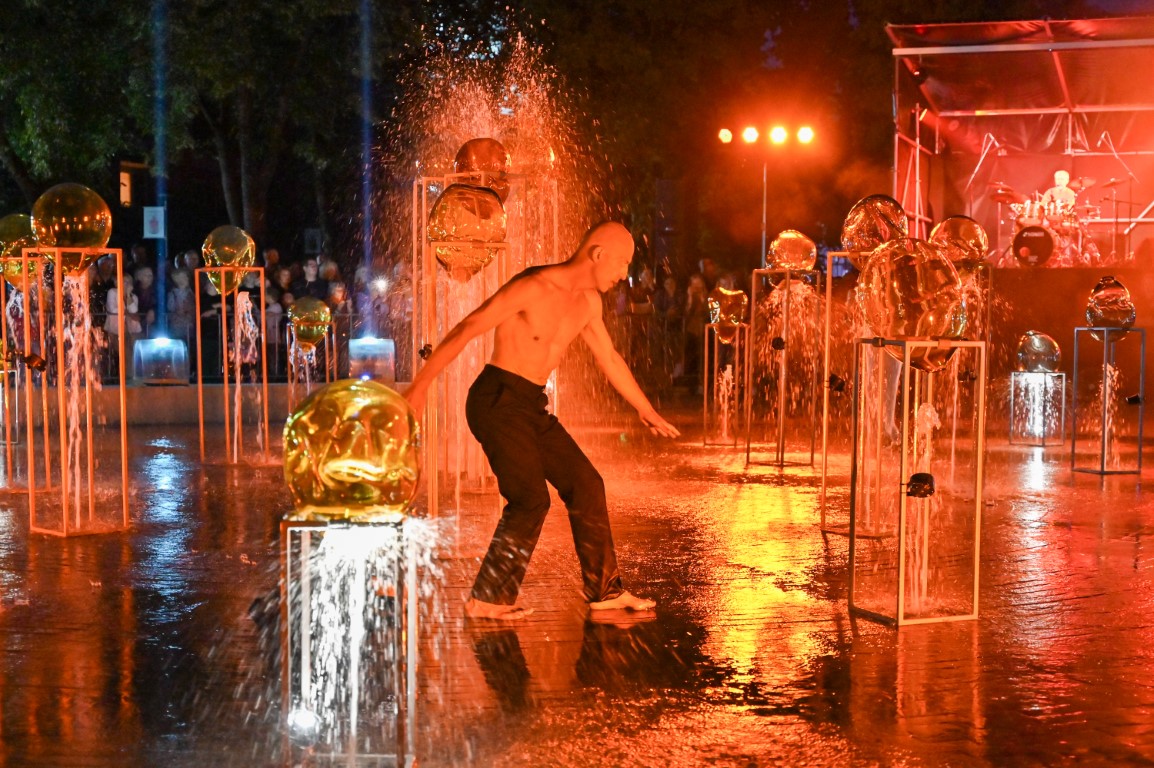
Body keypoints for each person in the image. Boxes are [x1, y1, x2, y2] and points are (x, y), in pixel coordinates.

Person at [404, 222, 680, 620]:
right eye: (622, 263)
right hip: (496, 399)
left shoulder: (589, 303)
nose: (624, 274)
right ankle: (488, 599)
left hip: (531, 405)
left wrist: (645, 409)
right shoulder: (532, 286)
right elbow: (467, 329)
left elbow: (609, 358)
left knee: (586, 484)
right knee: (530, 499)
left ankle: (605, 592)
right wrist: (420, 387)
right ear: (598, 254)